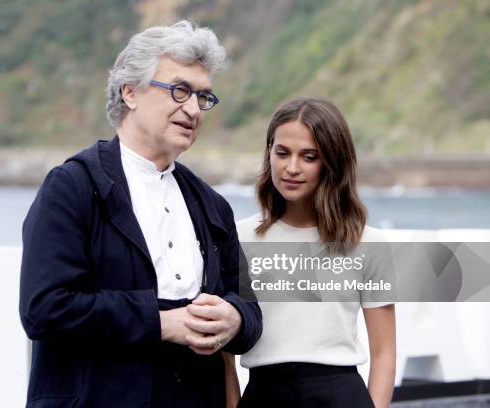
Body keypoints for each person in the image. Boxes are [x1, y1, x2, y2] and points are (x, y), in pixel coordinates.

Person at [19, 20, 262, 408]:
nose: (193, 109)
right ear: (129, 92)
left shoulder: (212, 205)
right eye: (180, 90)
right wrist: (161, 323)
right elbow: (44, 309)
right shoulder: (72, 187)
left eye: (204, 97)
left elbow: (249, 310)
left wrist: (234, 319)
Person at [235, 97, 396, 407]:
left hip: (341, 396)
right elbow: (225, 351)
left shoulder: (369, 244)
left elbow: (384, 352)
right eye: (282, 153)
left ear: (331, 162)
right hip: (263, 396)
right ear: (269, 151)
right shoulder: (238, 238)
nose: (291, 168)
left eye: (309, 157)